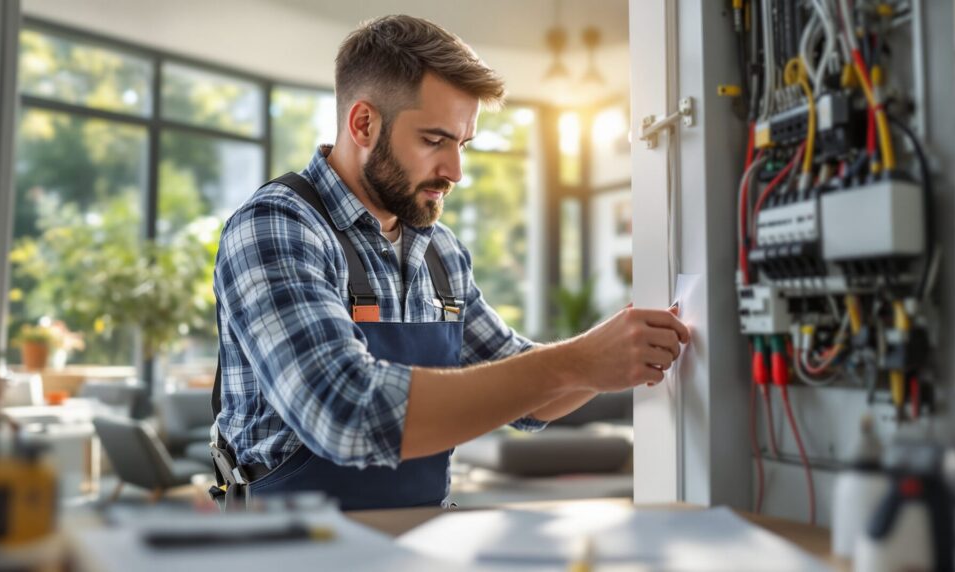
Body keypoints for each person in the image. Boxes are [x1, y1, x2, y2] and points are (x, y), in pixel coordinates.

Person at [212, 14, 689, 510]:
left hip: (418, 539)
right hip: (289, 548)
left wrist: (618, 352)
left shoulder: (441, 253)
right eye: (434, 140)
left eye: (462, 144)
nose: (455, 171)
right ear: (363, 124)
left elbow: (530, 398)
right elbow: (344, 411)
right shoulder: (276, 226)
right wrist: (578, 361)